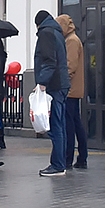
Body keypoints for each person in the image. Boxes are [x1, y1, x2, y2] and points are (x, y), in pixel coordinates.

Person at [34, 10, 69, 177]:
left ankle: (57, 165)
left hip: (54, 85)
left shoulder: (46, 33)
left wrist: (42, 82)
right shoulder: (57, 32)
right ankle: (61, 162)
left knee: (55, 127)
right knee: (60, 126)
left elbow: (49, 60)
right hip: (61, 84)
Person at [57, 14, 90, 170]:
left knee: (70, 125)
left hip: (70, 90)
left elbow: (70, 66)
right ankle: (81, 157)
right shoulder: (73, 39)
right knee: (76, 123)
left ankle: (69, 158)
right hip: (74, 89)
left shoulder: (71, 41)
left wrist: (62, 83)